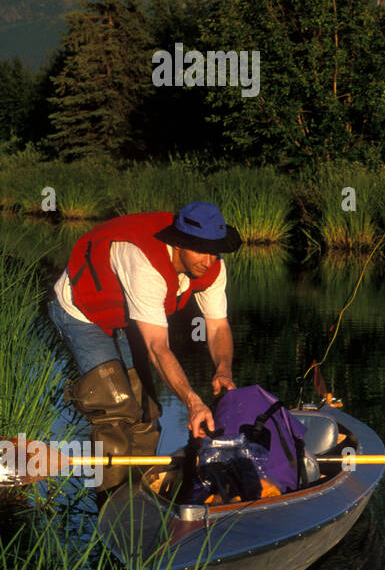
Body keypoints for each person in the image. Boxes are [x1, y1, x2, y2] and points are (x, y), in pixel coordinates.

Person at [46, 201, 242, 491]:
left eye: (214, 251)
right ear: (178, 244)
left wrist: (223, 369)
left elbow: (217, 327)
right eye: (200, 250)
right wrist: (193, 401)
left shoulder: (211, 266)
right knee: (114, 405)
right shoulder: (143, 261)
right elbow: (158, 347)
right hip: (82, 310)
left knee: (144, 408)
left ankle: (140, 492)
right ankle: (110, 500)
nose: (209, 260)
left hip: (128, 314)